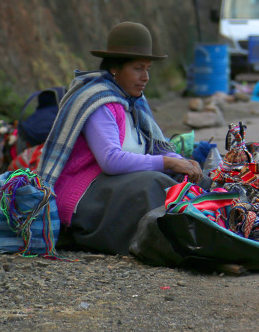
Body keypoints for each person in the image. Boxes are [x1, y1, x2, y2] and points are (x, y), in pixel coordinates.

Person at [38, 22, 204, 256]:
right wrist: (167, 163)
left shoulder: (134, 103)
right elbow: (111, 161)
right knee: (153, 184)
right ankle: (172, 242)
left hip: (115, 188)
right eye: (138, 68)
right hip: (86, 197)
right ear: (115, 68)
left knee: (190, 177)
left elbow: (154, 146)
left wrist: (179, 161)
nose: (145, 77)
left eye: (147, 69)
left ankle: (204, 233)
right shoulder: (98, 102)